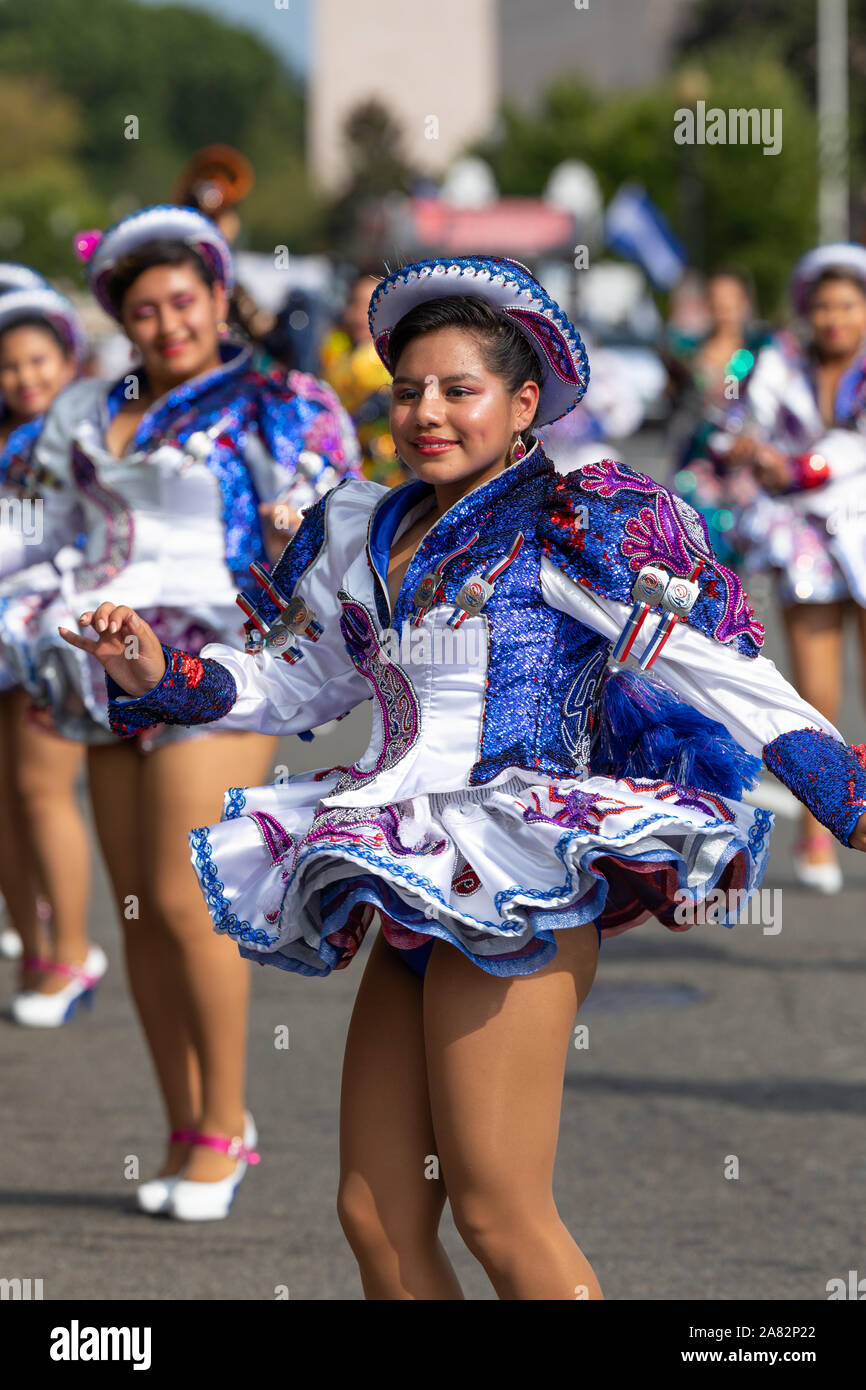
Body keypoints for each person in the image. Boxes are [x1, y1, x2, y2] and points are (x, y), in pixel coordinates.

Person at [61, 255, 866, 1298]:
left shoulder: (571, 527)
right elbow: (296, 681)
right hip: (399, 866)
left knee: (498, 1212)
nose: (426, 412)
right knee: (377, 1218)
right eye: (407, 391)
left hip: (514, 874)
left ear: (524, 401)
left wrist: (844, 793)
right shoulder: (368, 528)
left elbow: (726, 674)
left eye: (457, 389)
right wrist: (156, 669)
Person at [18, 205, 360, 1218]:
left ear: (218, 296)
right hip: (100, 661)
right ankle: (185, 1125)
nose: (168, 324)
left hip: (219, 659)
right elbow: (31, 524)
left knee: (182, 898)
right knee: (137, 915)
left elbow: (333, 515)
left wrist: (298, 544)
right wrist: (33, 606)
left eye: (184, 301)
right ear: (119, 318)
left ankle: (226, 1121)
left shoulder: (276, 400)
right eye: (144, 308)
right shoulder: (87, 409)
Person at [719, 243, 866, 892]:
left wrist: (801, 467)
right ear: (808, 310)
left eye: (849, 305)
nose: (835, 318)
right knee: (814, 693)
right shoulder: (778, 362)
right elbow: (735, 422)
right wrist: (749, 448)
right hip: (804, 536)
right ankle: (822, 827)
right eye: (825, 306)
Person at [0, 272, 95, 1015]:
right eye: (9, 364)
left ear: (68, 359)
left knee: (41, 792)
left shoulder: (88, 436)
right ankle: (35, 951)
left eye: (38, 359)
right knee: (9, 800)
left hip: (53, 637)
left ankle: (72, 954)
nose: (24, 376)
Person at [664, 268, 771, 565]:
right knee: (696, 553)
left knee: (748, 559)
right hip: (698, 466)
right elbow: (679, 407)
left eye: (732, 301)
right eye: (717, 301)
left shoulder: (765, 353)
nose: (725, 309)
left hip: (748, 470)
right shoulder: (689, 352)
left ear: (745, 303)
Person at [320, 268, 401, 485]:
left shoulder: (402, 363)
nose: (360, 315)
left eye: (371, 306)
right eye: (354, 304)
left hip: (391, 480)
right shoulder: (335, 358)